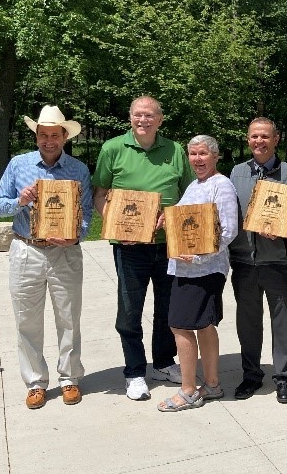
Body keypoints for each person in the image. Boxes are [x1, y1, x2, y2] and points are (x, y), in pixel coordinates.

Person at [92, 96, 194, 401]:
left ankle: (163, 362)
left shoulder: (175, 150)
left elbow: (189, 194)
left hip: (168, 244)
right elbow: (99, 194)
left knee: (167, 308)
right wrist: (114, 225)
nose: (143, 120)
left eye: (150, 116)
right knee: (130, 309)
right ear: (130, 118)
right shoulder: (112, 148)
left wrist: (172, 216)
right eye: (138, 115)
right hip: (130, 247)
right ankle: (134, 371)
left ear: (160, 120)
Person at [0, 105, 93, 409]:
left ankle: (69, 379)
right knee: (27, 321)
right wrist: (19, 201)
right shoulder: (18, 164)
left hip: (65, 252)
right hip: (27, 249)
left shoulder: (78, 170)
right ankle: (35, 382)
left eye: (54, 135)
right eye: (43, 135)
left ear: (65, 136)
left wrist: (76, 236)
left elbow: (86, 214)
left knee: (68, 318)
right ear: (36, 136)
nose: (49, 140)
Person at [229, 117, 287, 404]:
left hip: (277, 260)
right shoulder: (236, 173)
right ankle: (251, 375)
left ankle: (283, 377)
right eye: (253, 136)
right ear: (248, 139)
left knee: (281, 321)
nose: (258, 141)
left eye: (264, 136)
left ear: (275, 139)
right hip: (244, 261)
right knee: (248, 322)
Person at [157, 135, 238, 411]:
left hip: (204, 269)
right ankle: (212, 384)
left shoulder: (221, 185)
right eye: (193, 154)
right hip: (185, 267)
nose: (198, 159)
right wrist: (165, 221)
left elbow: (228, 230)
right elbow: (183, 222)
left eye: (203, 154)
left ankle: (189, 390)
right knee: (204, 325)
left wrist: (199, 255)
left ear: (215, 156)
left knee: (180, 326)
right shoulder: (194, 185)